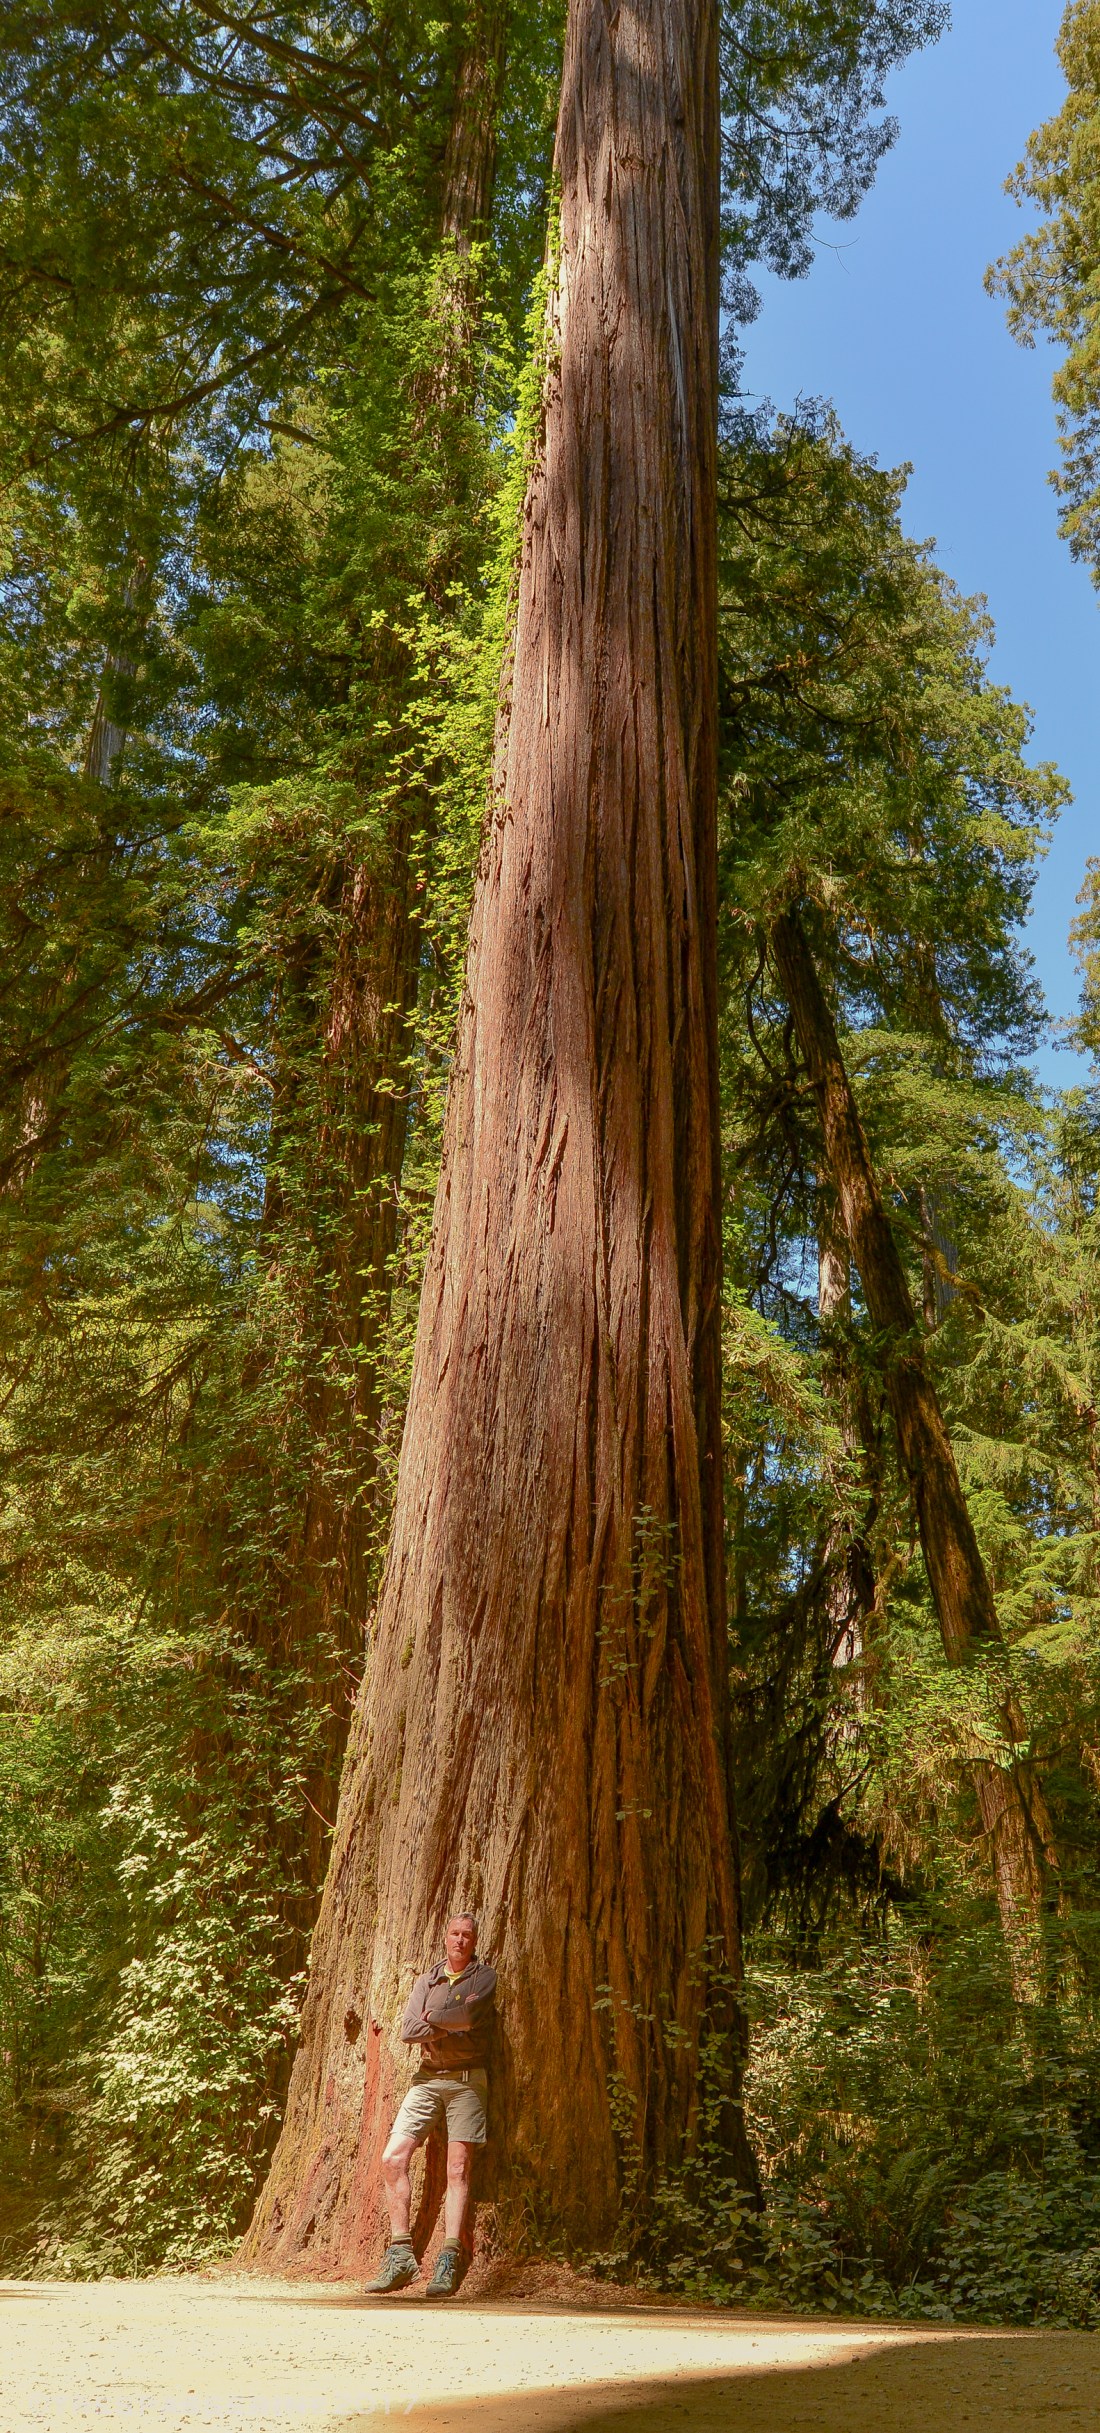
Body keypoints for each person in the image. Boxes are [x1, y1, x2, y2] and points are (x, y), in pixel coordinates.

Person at [366, 1911, 497, 2299]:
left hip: (467, 2080)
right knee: (392, 2158)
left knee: (457, 2168)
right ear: (445, 1938)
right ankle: (401, 2253)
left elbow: (471, 2016)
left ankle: (450, 2257)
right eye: (454, 1933)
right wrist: (448, 2021)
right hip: (427, 2078)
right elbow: (409, 2029)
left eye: (467, 1935)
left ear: (474, 1941)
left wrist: (434, 2017)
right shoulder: (427, 1979)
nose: (460, 1940)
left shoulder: (484, 1978)